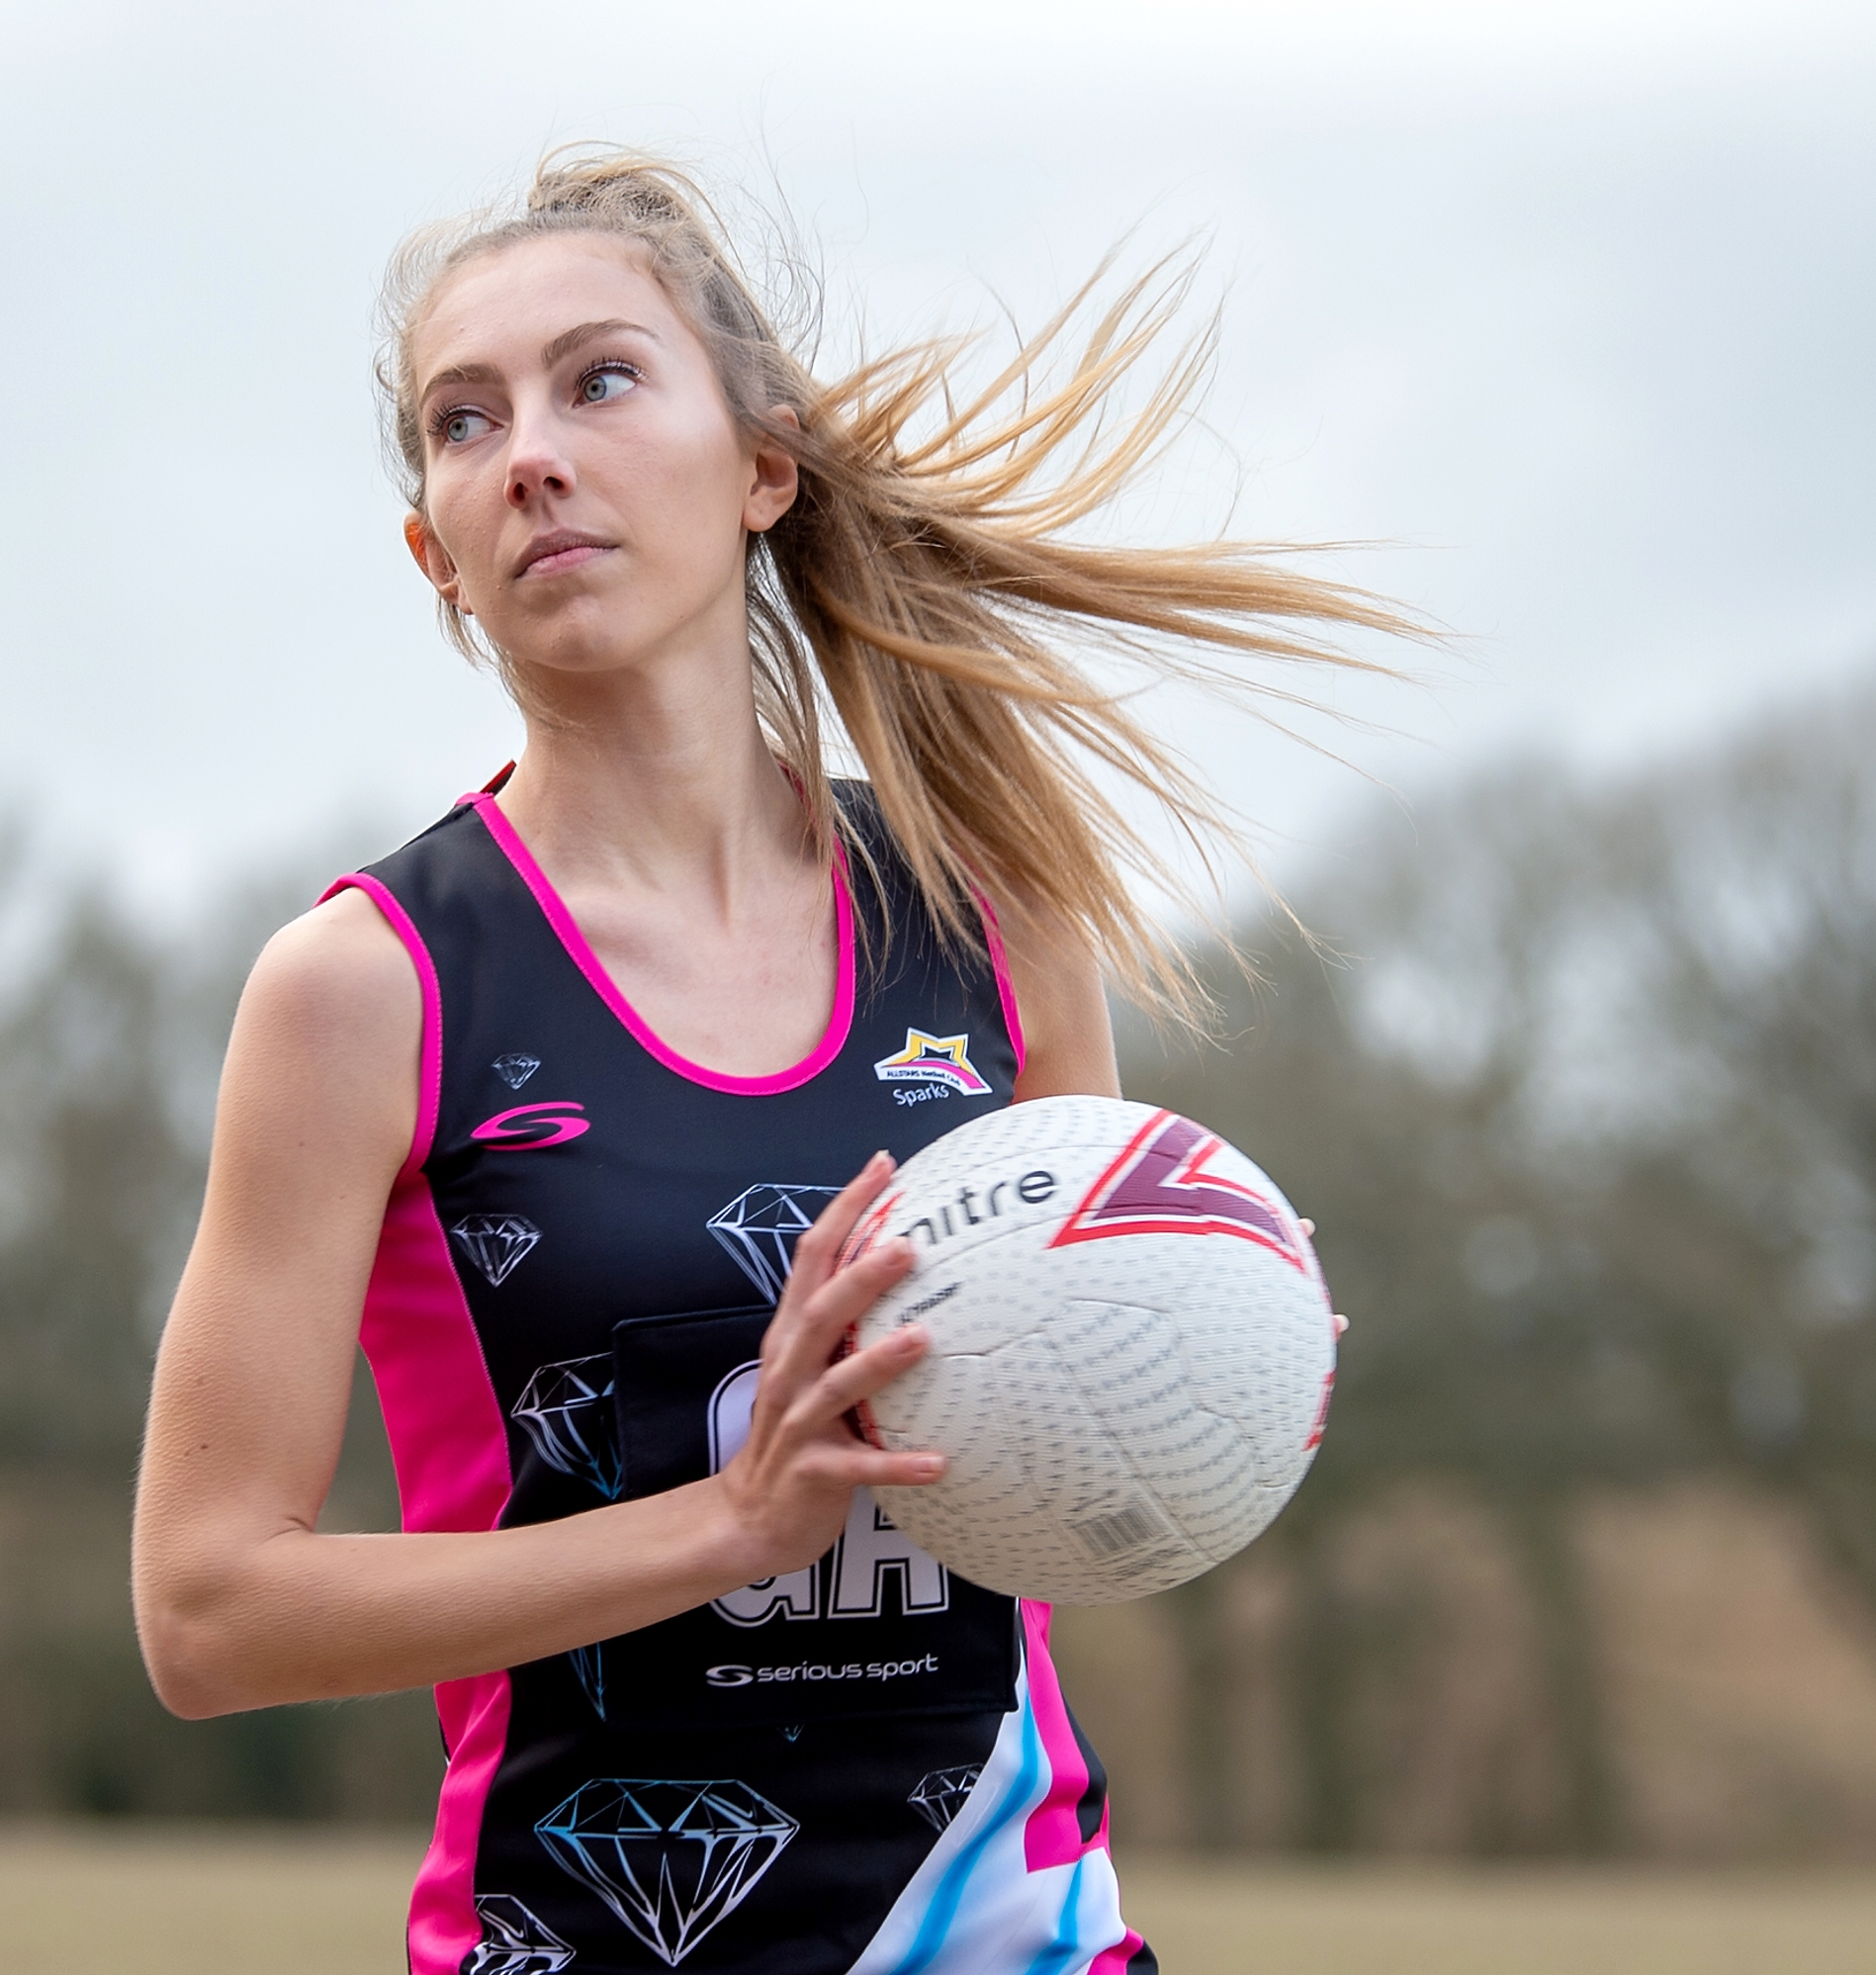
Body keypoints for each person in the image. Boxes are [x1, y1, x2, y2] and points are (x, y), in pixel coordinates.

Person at [132, 151, 1404, 1975]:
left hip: (1015, 1933)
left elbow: (1064, 1452)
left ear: (761, 469)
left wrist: (1210, 1347)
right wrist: (724, 1527)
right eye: (462, 420)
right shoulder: (365, 988)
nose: (531, 453)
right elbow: (209, 1611)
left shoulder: (996, 911)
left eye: (602, 379)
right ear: (438, 554)